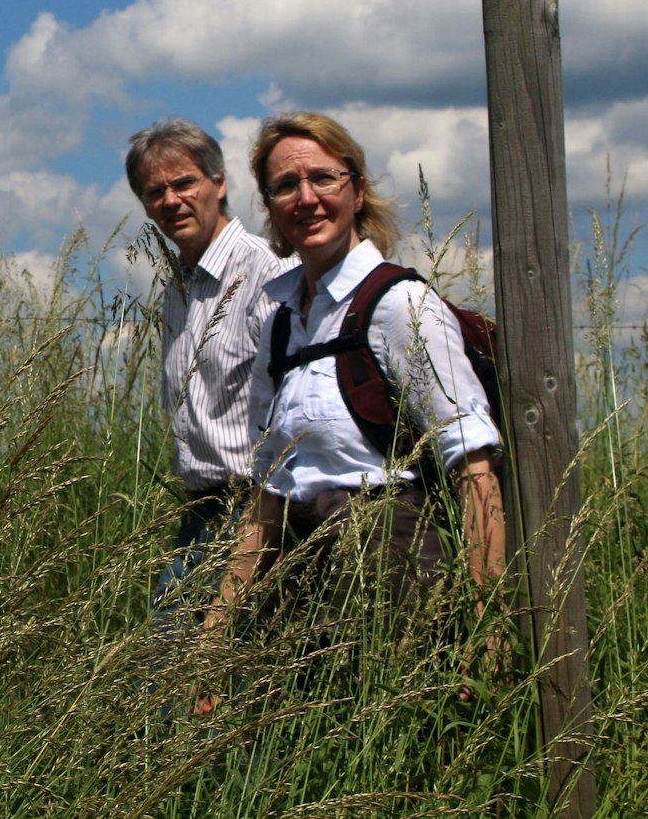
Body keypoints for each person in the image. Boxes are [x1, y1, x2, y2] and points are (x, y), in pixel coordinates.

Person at [201, 112, 505, 705]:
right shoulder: (283, 324)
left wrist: (486, 629)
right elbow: (268, 497)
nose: (306, 198)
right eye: (286, 186)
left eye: (324, 178)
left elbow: (474, 468)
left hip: (393, 564)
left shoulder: (399, 305)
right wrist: (212, 644)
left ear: (358, 190)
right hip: (303, 571)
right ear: (269, 206)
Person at [125, 119, 290, 638]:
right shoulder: (178, 286)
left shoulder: (264, 272)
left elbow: (289, 410)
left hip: (259, 512)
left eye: (184, 183)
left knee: (214, 682)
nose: (171, 200)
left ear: (219, 183)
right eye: (155, 192)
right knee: (165, 672)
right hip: (200, 512)